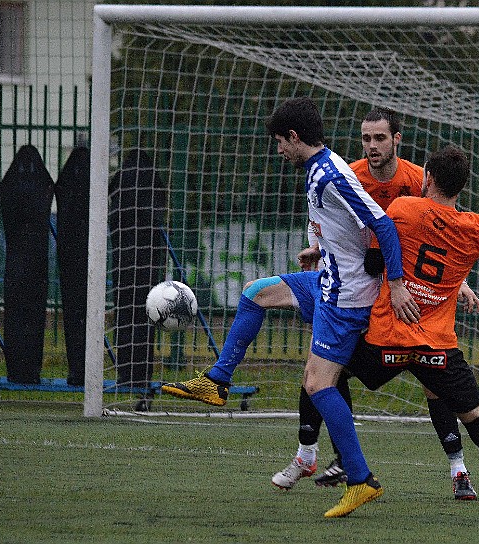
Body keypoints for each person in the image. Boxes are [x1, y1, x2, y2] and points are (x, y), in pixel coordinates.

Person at [162, 97, 420, 518]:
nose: (278, 150)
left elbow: (384, 225)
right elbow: (348, 228)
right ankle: (218, 381)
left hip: (346, 295)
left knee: (318, 384)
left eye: (280, 142)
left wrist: (397, 285)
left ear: (295, 138)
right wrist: (319, 249)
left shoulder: (331, 175)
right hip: (328, 278)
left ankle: (360, 479)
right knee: (255, 291)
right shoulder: (319, 168)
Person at [272, 107, 479, 501]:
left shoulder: (418, 179)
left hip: (410, 295)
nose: (372, 146)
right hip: (367, 298)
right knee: (325, 372)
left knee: (435, 385)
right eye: (366, 138)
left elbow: (440, 234)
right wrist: (318, 250)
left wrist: (461, 281)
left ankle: (458, 469)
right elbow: (328, 226)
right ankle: (321, 456)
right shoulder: (348, 174)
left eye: (380, 138)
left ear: (397, 140)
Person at [344, 144, 479, 524]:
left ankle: (343, 462)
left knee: (327, 376)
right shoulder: (475, 228)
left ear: (427, 177)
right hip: (436, 347)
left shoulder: (403, 209)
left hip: (388, 338)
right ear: (462, 187)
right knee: (478, 421)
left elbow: (374, 263)